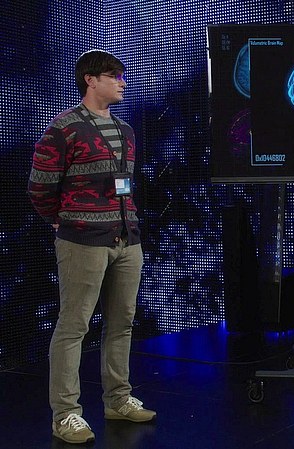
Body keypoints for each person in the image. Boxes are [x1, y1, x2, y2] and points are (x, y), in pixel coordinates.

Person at [28, 49, 156, 444]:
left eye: (122, 76)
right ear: (91, 79)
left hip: (126, 239)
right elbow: (40, 187)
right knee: (74, 326)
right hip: (83, 240)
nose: (122, 82)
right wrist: (63, 220)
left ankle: (118, 399)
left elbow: (124, 185)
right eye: (114, 75)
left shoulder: (126, 130)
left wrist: (128, 225)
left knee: (122, 322)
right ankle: (66, 414)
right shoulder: (64, 129)